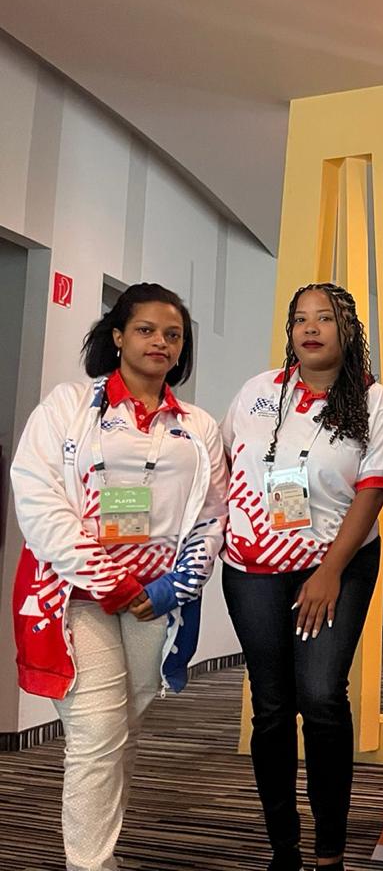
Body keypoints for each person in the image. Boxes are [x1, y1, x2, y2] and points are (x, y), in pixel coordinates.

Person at [10, 283, 227, 871]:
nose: (161, 342)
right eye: (146, 330)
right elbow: (38, 498)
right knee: (97, 735)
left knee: (119, 733)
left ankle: (100, 853)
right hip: (77, 596)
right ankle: (89, 865)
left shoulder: (198, 426)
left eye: (173, 335)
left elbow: (212, 514)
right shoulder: (67, 407)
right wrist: (110, 580)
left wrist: (177, 584)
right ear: (117, 336)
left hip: (154, 603)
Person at [221, 282, 383, 871]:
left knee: (323, 697)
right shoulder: (258, 392)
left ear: (347, 330)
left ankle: (330, 851)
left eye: (324, 318)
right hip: (252, 568)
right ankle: (284, 849)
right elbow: (223, 462)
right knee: (272, 706)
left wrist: (328, 572)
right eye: (300, 319)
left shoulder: (374, 401)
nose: (310, 328)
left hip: (337, 565)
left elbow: (373, 490)